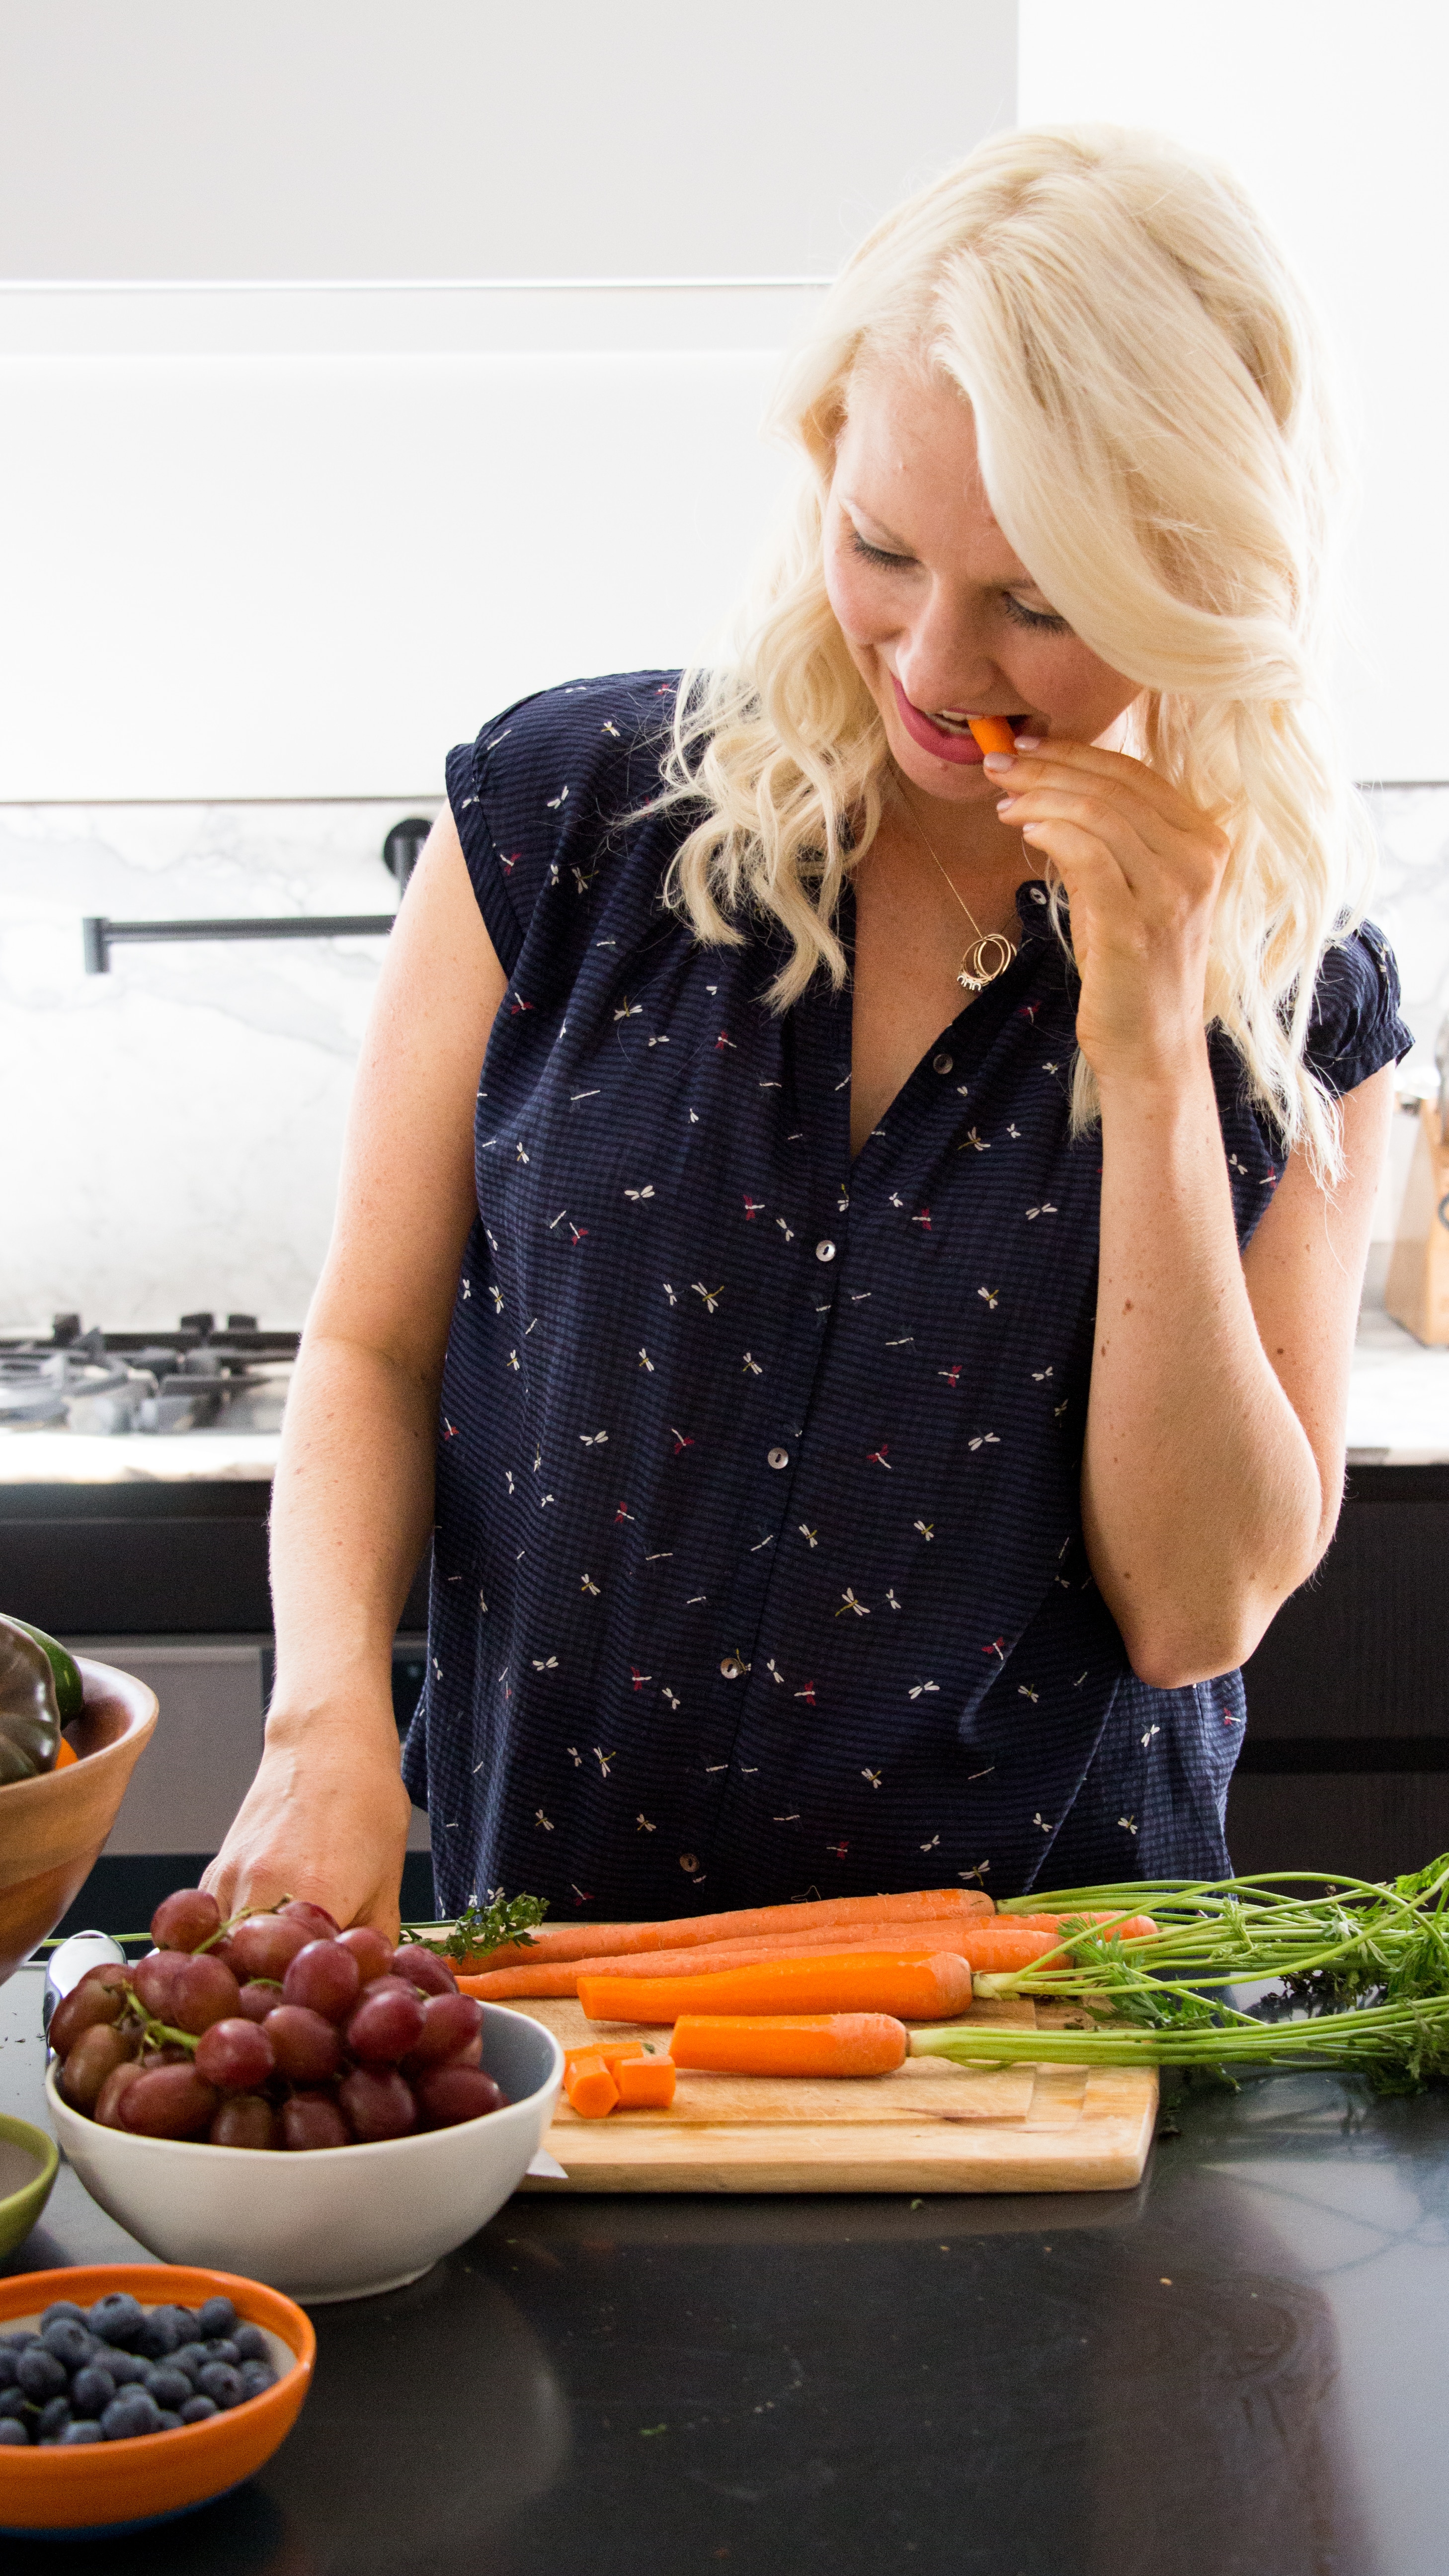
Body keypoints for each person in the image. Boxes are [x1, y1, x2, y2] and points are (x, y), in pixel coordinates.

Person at [205, 126, 1408, 1938]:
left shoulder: (1300, 994)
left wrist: (1156, 1052)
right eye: (881, 549)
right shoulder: (562, 817)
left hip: (1049, 2040)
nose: (931, 666)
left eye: (1038, 601)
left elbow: (1193, 1610)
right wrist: (323, 1725)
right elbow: (369, 1348)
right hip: (571, 1996)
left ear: (1204, 579)